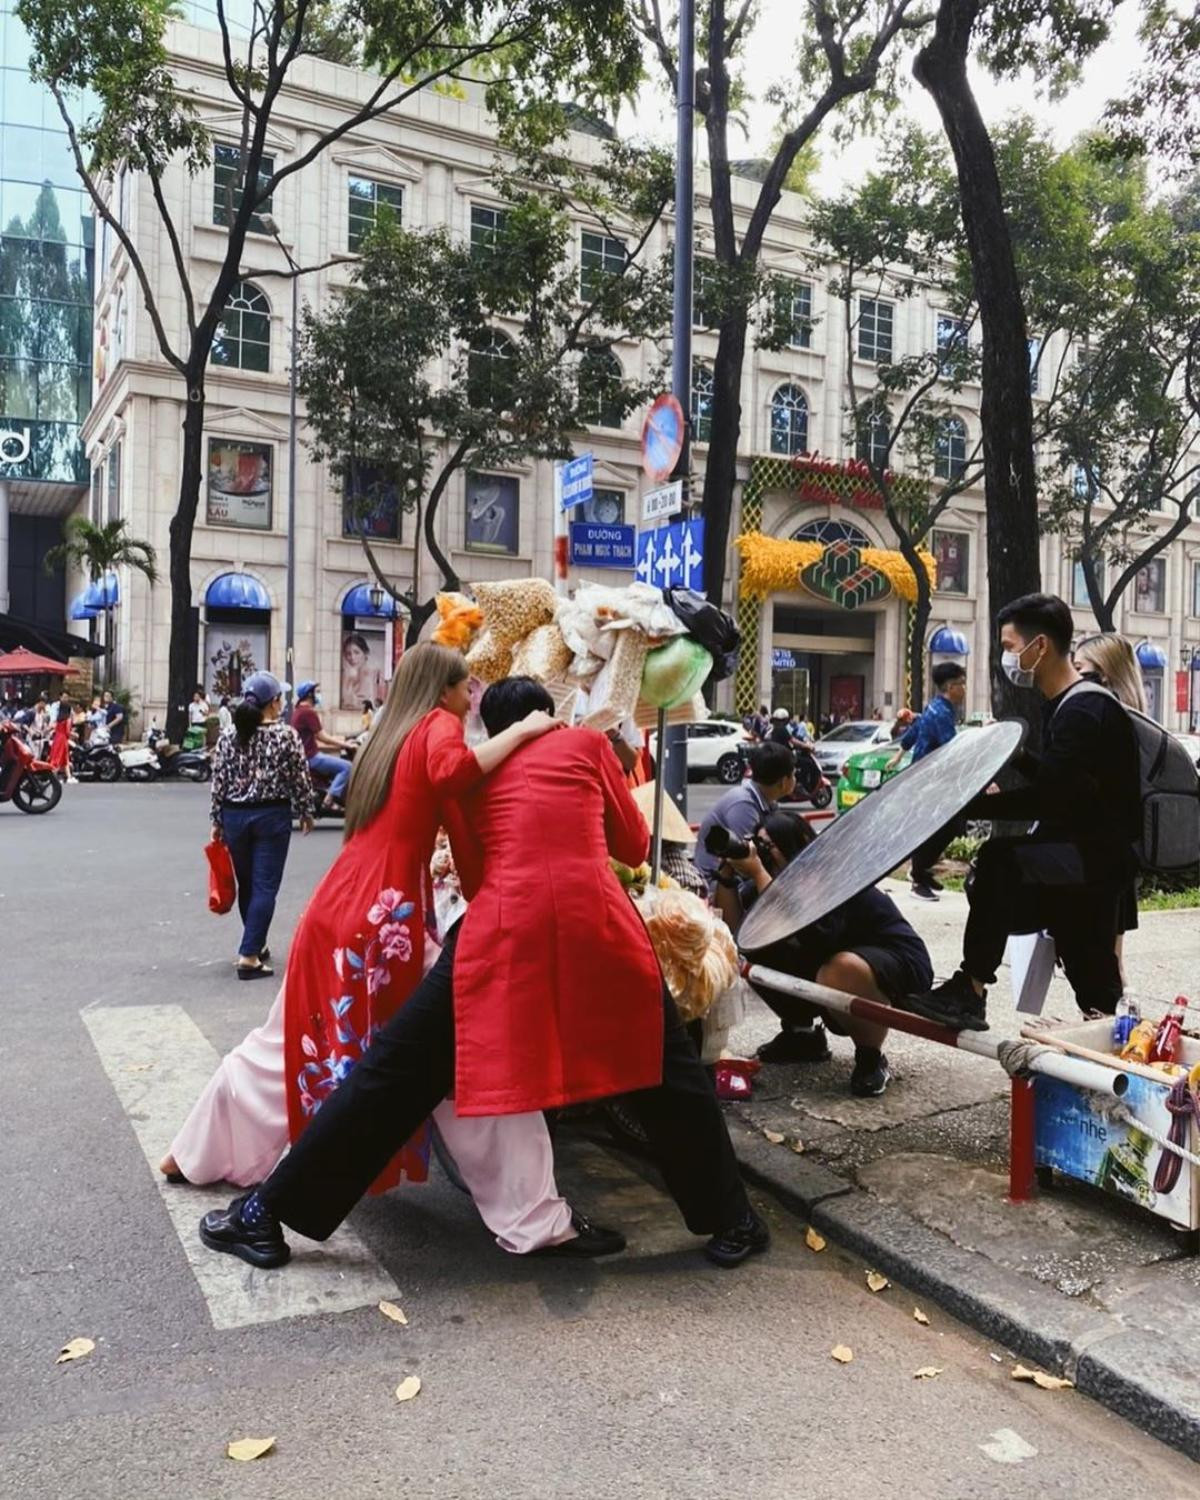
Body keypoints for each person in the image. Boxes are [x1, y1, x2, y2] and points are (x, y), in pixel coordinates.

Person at [199, 676, 768, 1273]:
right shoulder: (585, 745)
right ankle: (734, 1221)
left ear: (492, 729)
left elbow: (472, 872)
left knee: (393, 1074)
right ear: (546, 716)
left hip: (500, 933)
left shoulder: (476, 775)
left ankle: (266, 1215)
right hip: (595, 926)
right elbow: (633, 842)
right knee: (667, 1073)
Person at [167, 647, 589, 1259]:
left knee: (288, 1044)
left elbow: (459, 832)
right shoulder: (436, 729)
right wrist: (525, 731)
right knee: (463, 1064)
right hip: (383, 919)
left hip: (340, 906)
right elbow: (456, 776)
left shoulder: (390, 736)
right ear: (441, 689)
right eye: (464, 682)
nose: (472, 691)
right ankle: (532, 1215)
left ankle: (193, 1152)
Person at [899, 593, 1140, 1032]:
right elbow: (1065, 782)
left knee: (998, 863)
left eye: (1010, 647)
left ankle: (969, 992)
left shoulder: (1084, 708)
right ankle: (1113, 1038)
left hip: (1090, 860)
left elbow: (1052, 798)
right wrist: (1015, 754)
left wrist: (971, 804)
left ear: (1040, 646)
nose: (1008, 658)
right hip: (1085, 860)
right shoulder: (1072, 705)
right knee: (1092, 974)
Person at [717, 811, 930, 1095]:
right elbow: (734, 931)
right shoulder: (768, 885)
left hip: (896, 960)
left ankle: (871, 1058)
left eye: (771, 845)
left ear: (801, 842)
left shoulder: (829, 879)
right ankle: (802, 1036)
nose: (764, 853)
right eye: (759, 844)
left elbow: (816, 933)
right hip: (833, 963)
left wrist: (758, 873)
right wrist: (726, 876)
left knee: (838, 969)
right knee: (751, 950)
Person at [209, 672, 314, 978]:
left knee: (249, 885)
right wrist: (306, 810)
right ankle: (249, 955)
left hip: (235, 816)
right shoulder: (285, 735)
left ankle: (256, 940)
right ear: (273, 703)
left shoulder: (229, 734)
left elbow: (220, 780)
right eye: (280, 698)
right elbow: (300, 778)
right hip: (271, 817)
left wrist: (216, 819)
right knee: (265, 886)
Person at [1071, 633, 1147, 972]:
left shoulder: (1106, 714)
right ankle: (1117, 1020)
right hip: (1120, 855)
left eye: (1079, 668)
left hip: (1105, 856)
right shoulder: (1130, 715)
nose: (1074, 676)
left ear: (1104, 672)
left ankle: (1119, 1022)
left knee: (1106, 967)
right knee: (1111, 961)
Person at [887, 661, 968, 901]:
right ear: (951, 687)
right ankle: (918, 876)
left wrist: (900, 752)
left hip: (927, 779)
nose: (964, 689)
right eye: (962, 684)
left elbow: (915, 730)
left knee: (944, 826)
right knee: (945, 826)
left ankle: (922, 872)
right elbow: (952, 750)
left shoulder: (936, 707)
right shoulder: (941, 713)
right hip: (930, 781)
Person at [693, 741, 796, 892]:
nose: (795, 779)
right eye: (793, 774)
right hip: (714, 886)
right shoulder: (744, 805)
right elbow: (747, 860)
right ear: (783, 782)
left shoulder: (765, 801)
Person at [292, 679, 353, 808]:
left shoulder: (298, 711)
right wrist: (346, 745)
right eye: (316, 692)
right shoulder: (308, 712)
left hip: (306, 755)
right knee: (347, 767)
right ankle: (330, 797)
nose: (318, 695)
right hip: (311, 757)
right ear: (309, 695)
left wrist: (343, 742)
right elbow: (322, 737)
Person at [341, 630, 384, 709]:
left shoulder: (374, 674)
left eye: (356, 652)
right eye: (348, 654)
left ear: (365, 653)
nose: (352, 658)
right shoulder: (346, 675)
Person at [48, 691, 73, 781]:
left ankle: (68, 776)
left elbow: (53, 725)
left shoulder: (59, 719)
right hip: (63, 739)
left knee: (61, 758)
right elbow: (67, 731)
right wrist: (74, 734)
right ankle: (53, 777)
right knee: (60, 758)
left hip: (57, 738)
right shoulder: (67, 719)